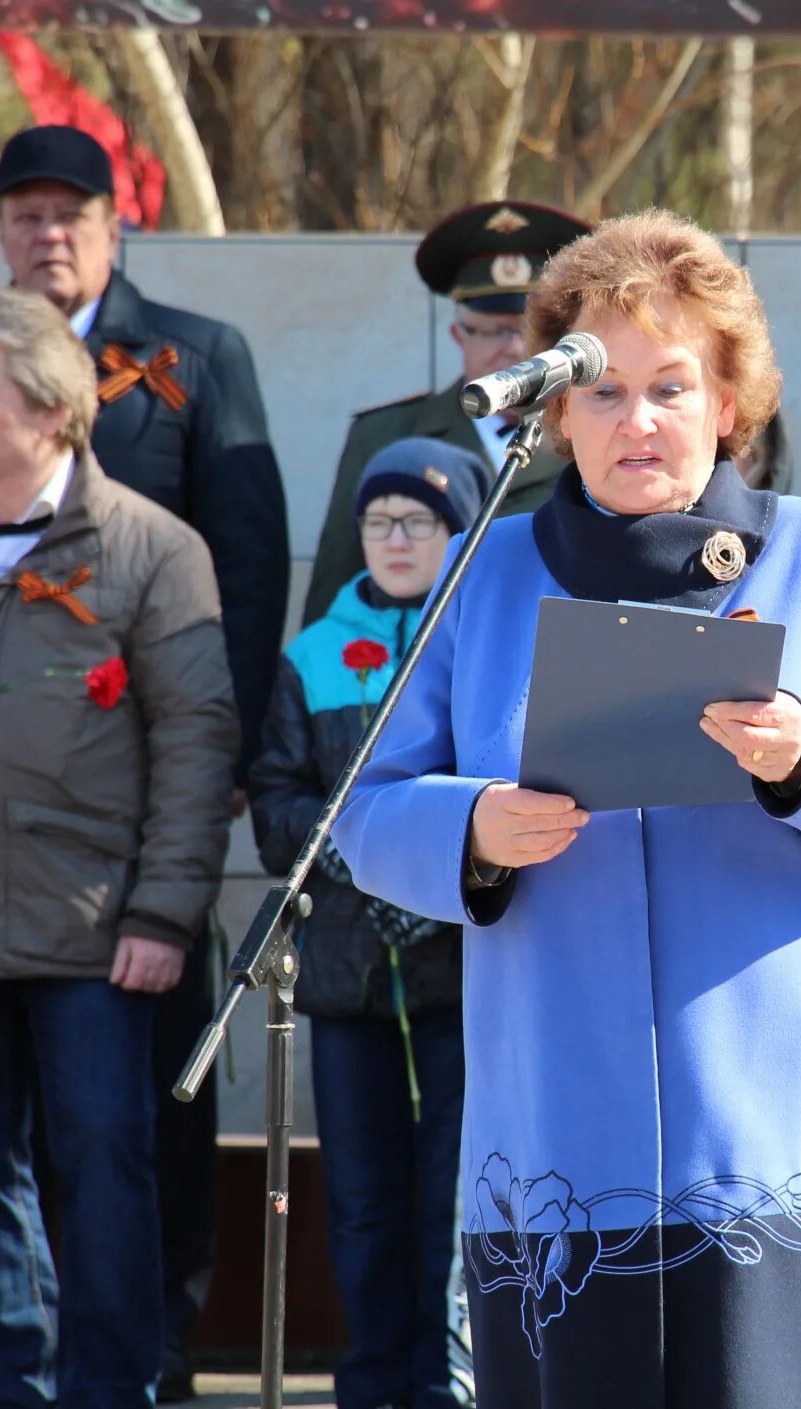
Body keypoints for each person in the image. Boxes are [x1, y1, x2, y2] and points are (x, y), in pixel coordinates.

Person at [330, 209, 801, 1408]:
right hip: (562, 1126)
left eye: (672, 387)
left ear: (730, 405)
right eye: (604, 393)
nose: (639, 421)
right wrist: (472, 829)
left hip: (774, 1133)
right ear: (557, 413)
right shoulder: (487, 569)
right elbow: (368, 811)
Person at [0, 124, 288, 1400]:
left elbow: (240, 594)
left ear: (117, 223)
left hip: (115, 848)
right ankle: (11, 1355)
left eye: (72, 209)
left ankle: (139, 1342)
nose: (48, 229)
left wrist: (200, 829)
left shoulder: (193, 369)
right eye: (23, 208)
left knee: (125, 1128)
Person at [247, 438, 491, 1409]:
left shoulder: (480, 641)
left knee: (457, 1192)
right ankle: (374, 1377)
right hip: (347, 977)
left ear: (459, 533)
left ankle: (449, 1380)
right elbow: (276, 800)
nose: (394, 538)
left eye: (418, 522)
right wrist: (362, 841)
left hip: (460, 973)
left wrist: (427, 847)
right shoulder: (312, 655)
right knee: (362, 1197)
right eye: (377, 521)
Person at [302, 199, 592, 625]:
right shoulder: (386, 436)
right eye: (494, 332)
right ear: (459, 335)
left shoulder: (598, 438)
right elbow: (334, 600)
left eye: (528, 333)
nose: (512, 349)